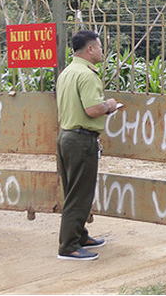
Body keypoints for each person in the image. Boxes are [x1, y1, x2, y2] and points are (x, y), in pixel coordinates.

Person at [56, 30, 118, 261]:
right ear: (90, 49)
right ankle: (69, 246)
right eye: (100, 47)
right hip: (81, 140)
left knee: (73, 190)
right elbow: (92, 109)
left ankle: (80, 235)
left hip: (66, 136)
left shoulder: (68, 72)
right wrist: (109, 105)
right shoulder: (88, 75)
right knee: (80, 194)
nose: (102, 51)